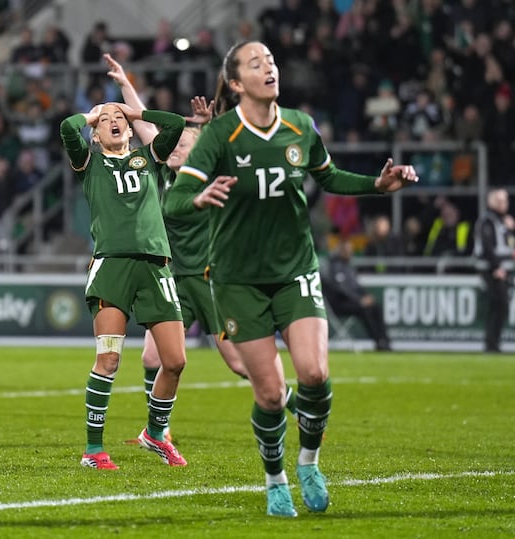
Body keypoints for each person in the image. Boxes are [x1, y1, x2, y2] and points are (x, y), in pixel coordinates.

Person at [163, 41, 418, 517]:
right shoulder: (221, 135)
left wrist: (377, 186)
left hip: (296, 269)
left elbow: (330, 175)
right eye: (256, 64)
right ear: (237, 83)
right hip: (239, 280)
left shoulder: (300, 126)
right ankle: (275, 478)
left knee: (316, 374)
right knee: (268, 393)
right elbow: (174, 202)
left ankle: (309, 462)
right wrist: (198, 199)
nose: (269, 68)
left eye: (272, 61)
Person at [102, 52, 297, 437]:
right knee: (150, 357)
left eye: (184, 145)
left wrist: (210, 128)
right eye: (174, 145)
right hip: (174, 279)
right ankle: (158, 430)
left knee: (240, 365)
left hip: (210, 281)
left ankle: (297, 405)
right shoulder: (162, 169)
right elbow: (143, 122)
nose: (174, 148)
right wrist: (125, 82)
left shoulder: (208, 179)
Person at [59, 100, 188, 470]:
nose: (113, 122)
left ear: (129, 130)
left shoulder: (148, 158)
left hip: (155, 268)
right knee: (109, 359)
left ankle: (155, 433)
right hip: (113, 268)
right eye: (105, 121)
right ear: (96, 136)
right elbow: (68, 128)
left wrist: (135, 113)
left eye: (119, 120)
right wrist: (91, 113)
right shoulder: (89, 163)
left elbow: (176, 123)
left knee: (176, 361)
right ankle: (93, 449)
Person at [322, 237, 392, 351]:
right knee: (364, 309)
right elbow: (342, 289)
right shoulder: (335, 266)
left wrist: (365, 296)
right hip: (340, 304)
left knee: (376, 307)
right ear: (341, 250)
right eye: (348, 250)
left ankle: (385, 340)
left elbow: (356, 287)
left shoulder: (347, 266)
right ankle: (378, 341)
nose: (350, 252)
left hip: (352, 301)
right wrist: (359, 300)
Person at [473, 188, 515, 353]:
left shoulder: (504, 222)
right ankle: (491, 344)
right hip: (492, 270)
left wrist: (512, 230)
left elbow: (508, 245)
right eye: (501, 200)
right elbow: (487, 247)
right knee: (498, 305)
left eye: (505, 200)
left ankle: (493, 343)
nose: (504, 204)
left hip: (503, 270)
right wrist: (497, 267)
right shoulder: (487, 221)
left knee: (500, 307)